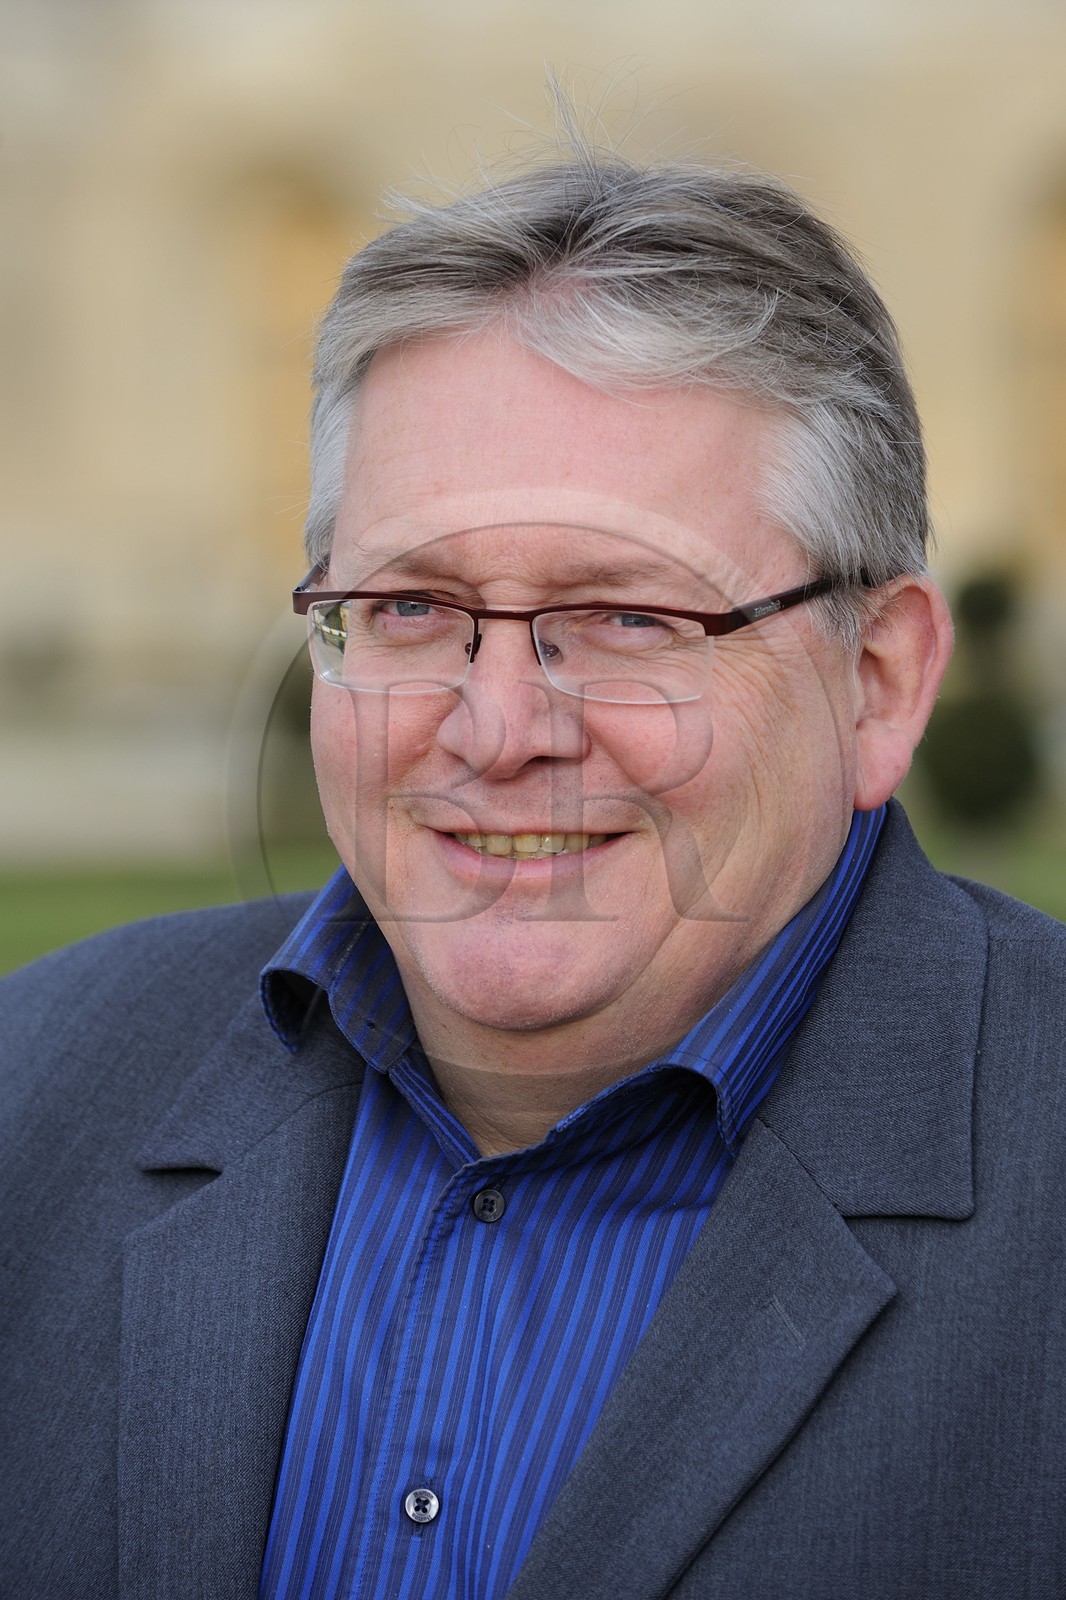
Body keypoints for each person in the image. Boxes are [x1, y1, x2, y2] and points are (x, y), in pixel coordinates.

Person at [2, 137, 1064, 1600]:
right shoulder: (32, 1087)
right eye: (411, 604)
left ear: (875, 682)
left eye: (627, 616)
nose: (496, 729)